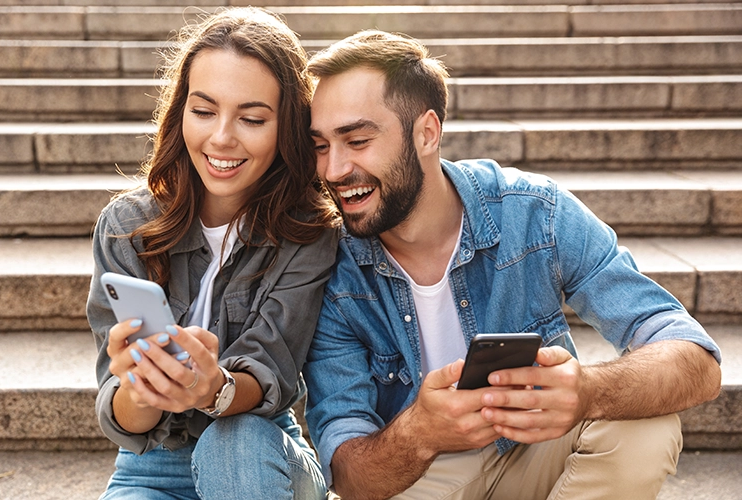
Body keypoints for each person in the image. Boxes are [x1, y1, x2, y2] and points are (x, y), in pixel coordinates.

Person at [302, 30, 722, 500]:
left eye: (357, 140)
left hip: (534, 450)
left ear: (427, 133)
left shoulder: (532, 212)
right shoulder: (329, 269)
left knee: (646, 427)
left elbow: (695, 359)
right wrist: (420, 432)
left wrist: (586, 390)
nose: (334, 170)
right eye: (320, 146)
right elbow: (348, 476)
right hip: (422, 476)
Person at [86, 8, 339, 499]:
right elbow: (122, 418)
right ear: (180, 111)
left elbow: (273, 375)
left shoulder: (309, 234)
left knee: (234, 442)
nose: (222, 137)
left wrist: (210, 388)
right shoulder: (126, 227)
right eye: (203, 111)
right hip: (153, 464)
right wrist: (142, 388)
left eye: (251, 118)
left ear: (286, 126)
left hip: (259, 451)